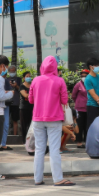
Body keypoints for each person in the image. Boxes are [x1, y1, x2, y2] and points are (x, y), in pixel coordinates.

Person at [28, 55, 74, 186]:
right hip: (54, 119)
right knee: (54, 149)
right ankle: (58, 179)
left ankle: (38, 179)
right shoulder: (60, 81)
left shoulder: (35, 80)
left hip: (37, 118)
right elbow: (64, 101)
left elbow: (30, 100)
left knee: (39, 149)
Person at [84, 58, 99, 134]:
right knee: (92, 126)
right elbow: (93, 94)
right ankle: (90, 144)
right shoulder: (88, 79)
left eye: (98, 65)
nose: (98, 67)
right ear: (91, 67)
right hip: (92, 106)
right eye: (96, 65)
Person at [4, 64, 22, 143]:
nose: (12, 72)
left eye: (13, 71)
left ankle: (15, 136)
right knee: (6, 120)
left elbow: (21, 89)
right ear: (8, 72)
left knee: (15, 120)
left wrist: (16, 86)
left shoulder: (18, 79)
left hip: (15, 102)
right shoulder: (5, 79)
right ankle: (6, 136)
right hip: (7, 102)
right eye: (11, 71)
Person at [71, 70, 89, 148]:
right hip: (80, 109)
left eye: (85, 76)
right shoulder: (78, 85)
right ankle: (79, 142)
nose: (83, 77)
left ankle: (87, 141)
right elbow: (73, 96)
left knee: (87, 125)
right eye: (82, 76)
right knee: (80, 125)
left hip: (88, 108)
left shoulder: (90, 84)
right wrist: (79, 102)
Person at [19, 71, 34, 139]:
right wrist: (32, 95)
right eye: (27, 76)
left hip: (32, 107)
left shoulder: (32, 85)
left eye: (29, 76)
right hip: (24, 108)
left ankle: (30, 139)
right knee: (24, 125)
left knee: (31, 124)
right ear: (24, 78)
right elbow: (25, 95)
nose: (28, 78)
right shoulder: (22, 86)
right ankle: (24, 140)